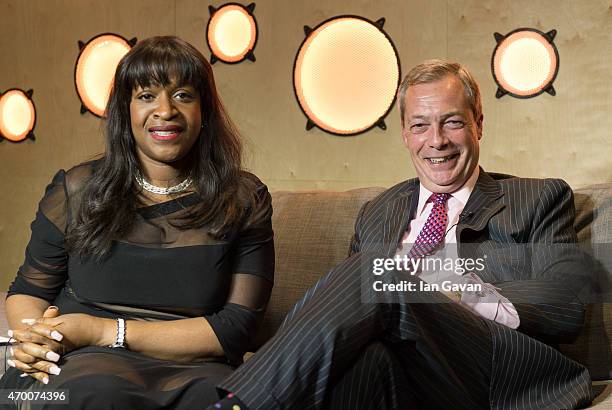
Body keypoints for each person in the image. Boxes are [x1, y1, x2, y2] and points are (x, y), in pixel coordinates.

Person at [209, 60, 594, 410]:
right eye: (420, 125)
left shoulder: (537, 198)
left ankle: (238, 405)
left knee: (379, 272)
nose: (437, 140)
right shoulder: (378, 213)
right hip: (409, 373)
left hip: (496, 370)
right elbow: (347, 312)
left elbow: (564, 303)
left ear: (479, 123)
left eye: (453, 122)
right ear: (405, 134)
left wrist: (458, 293)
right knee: (365, 360)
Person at [1, 36, 274, 409]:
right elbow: (29, 292)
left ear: (204, 110)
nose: (165, 111)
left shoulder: (243, 198)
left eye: (182, 95)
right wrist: (35, 339)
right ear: (124, 110)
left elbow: (236, 328)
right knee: (93, 396)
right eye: (146, 96)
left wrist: (102, 330)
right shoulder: (77, 189)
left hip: (195, 366)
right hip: (80, 362)